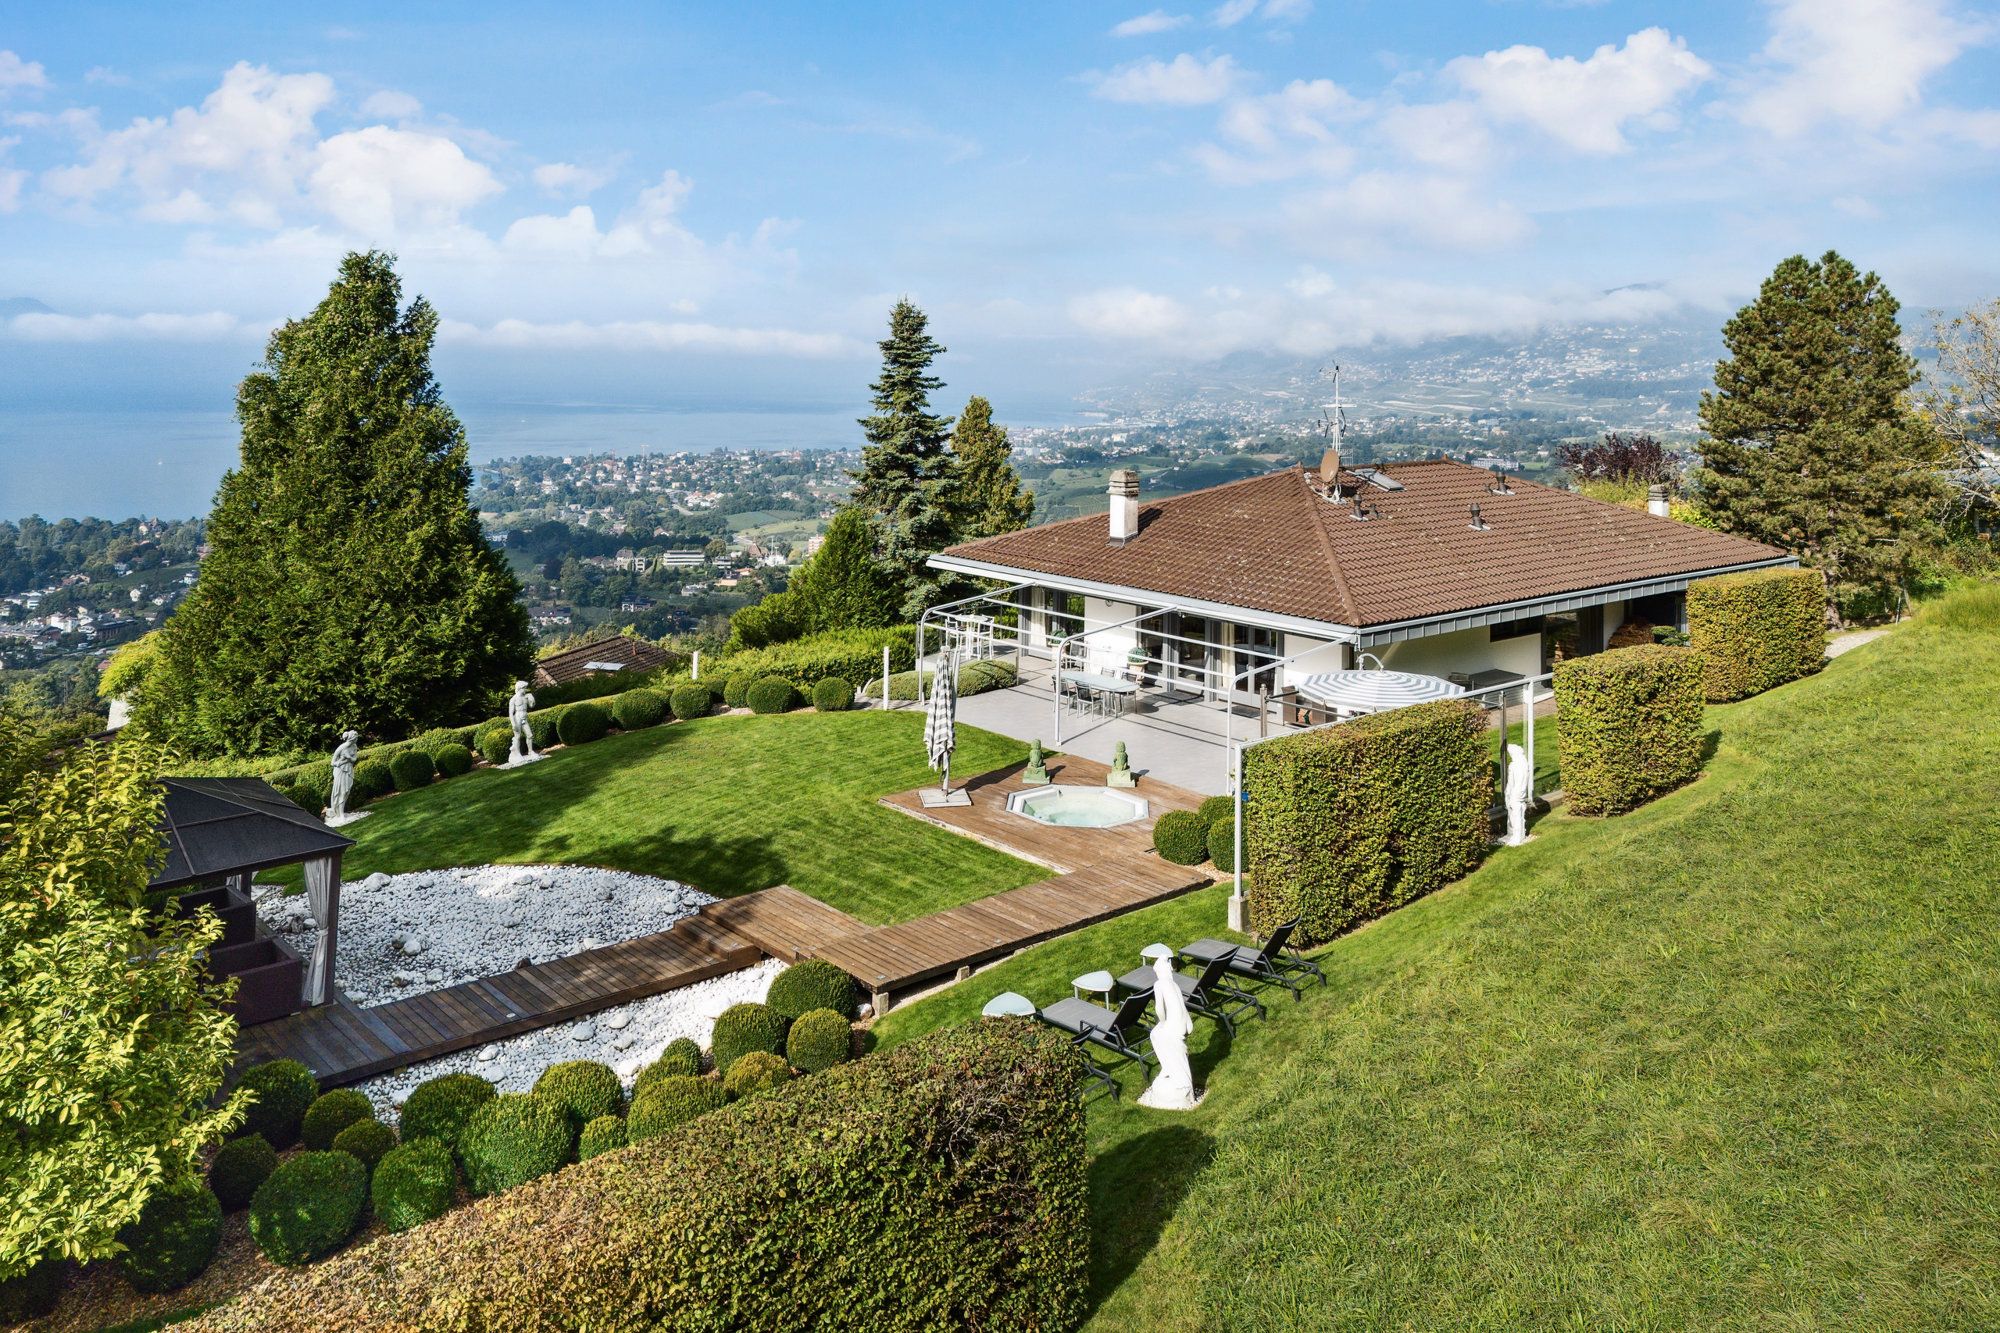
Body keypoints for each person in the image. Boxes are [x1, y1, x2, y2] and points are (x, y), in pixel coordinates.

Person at [1137, 952, 1199, 1110]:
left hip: (1173, 1026)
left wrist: (1162, 1023)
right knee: (1158, 1035)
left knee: (1155, 1034)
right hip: (1184, 1023)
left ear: (1159, 972)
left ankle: (1168, 1067)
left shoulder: (1160, 984)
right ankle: (1169, 1068)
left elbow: (1159, 1009)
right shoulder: (1174, 984)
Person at [327, 729, 361, 821]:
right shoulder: (341, 748)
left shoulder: (354, 746)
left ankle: (341, 811)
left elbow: (354, 758)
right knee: (342, 791)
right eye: (356, 737)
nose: (357, 739)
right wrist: (342, 762)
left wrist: (348, 759)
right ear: (352, 738)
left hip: (349, 769)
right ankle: (340, 814)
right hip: (340, 771)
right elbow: (332, 762)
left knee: (347, 791)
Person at [507, 680, 537, 764]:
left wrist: (532, 699)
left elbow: (531, 706)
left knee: (530, 735)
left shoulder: (526, 697)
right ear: (520, 688)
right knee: (517, 736)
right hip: (517, 718)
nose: (525, 690)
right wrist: (513, 724)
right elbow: (511, 713)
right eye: (524, 688)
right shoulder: (513, 699)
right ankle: (517, 754)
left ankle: (530, 752)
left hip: (524, 718)